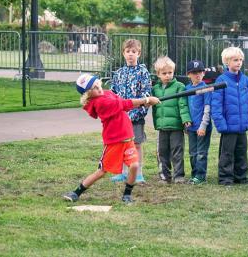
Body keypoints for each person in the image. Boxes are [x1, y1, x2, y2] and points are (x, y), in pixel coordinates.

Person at [63, 74, 160, 203]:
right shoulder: (100, 103)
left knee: (134, 165)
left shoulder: (107, 93)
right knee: (102, 171)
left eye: (97, 83)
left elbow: (126, 104)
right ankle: (77, 192)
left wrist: (143, 103)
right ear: (88, 95)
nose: (98, 87)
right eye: (93, 88)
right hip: (114, 142)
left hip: (128, 139)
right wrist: (146, 100)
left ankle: (127, 194)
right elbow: (124, 104)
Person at [211, 47, 248, 186]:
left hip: (242, 126)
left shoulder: (245, 80)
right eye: (235, 60)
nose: (239, 63)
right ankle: (226, 178)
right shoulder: (221, 80)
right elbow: (216, 105)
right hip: (228, 126)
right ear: (227, 62)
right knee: (227, 154)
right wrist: (221, 124)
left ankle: (241, 177)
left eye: (240, 60)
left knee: (241, 152)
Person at [110, 39, 151, 184]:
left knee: (137, 144)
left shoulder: (143, 72)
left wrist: (136, 112)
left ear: (138, 53)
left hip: (136, 117)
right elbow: (113, 93)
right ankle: (122, 172)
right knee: (122, 144)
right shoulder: (119, 73)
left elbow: (146, 94)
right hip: (120, 117)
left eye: (133, 52)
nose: (130, 55)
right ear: (123, 53)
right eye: (128, 52)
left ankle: (138, 173)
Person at [152, 56, 192, 184]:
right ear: (158, 74)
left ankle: (179, 175)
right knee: (162, 152)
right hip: (162, 127)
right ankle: (164, 176)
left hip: (176, 127)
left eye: (170, 72)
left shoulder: (179, 86)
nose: (168, 75)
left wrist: (185, 119)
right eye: (164, 73)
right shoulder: (155, 89)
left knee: (177, 151)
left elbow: (183, 104)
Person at [185, 60, 212, 185]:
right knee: (192, 152)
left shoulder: (206, 88)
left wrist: (203, 125)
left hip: (202, 127)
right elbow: (185, 107)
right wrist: (186, 122)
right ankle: (195, 174)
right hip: (191, 127)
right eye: (194, 72)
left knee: (201, 152)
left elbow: (207, 108)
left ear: (204, 73)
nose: (197, 75)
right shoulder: (187, 89)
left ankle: (201, 176)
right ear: (188, 74)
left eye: (200, 72)